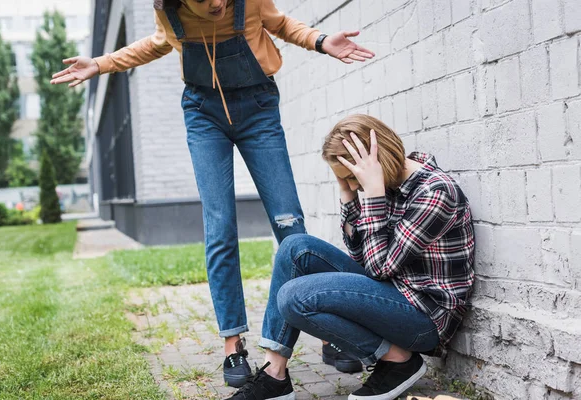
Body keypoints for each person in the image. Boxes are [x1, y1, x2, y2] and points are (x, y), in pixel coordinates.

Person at [50, 0, 375, 388]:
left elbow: (281, 24)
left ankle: (328, 333)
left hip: (259, 109)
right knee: (220, 228)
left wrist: (322, 41)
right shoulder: (169, 11)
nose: (217, 3)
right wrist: (102, 63)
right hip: (203, 114)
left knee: (291, 225)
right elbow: (156, 44)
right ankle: (233, 344)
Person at [229, 114, 475, 400]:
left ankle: (398, 361)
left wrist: (372, 194)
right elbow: (360, 255)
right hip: (393, 293)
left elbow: (377, 268)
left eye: (352, 178)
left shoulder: (435, 193)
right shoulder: (390, 182)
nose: (354, 185)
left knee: (294, 297)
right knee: (295, 247)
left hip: (424, 320)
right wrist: (348, 194)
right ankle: (274, 376)